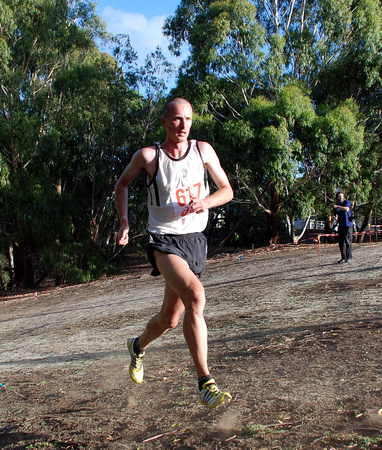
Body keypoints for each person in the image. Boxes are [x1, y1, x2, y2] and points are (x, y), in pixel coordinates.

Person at [115, 97, 233, 409]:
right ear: (165, 123)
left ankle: (137, 346)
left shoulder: (202, 151)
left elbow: (227, 190)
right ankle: (205, 382)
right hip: (163, 242)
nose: (182, 125)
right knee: (196, 297)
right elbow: (122, 184)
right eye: (176, 119)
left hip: (194, 241)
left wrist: (205, 202)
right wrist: (125, 223)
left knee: (169, 319)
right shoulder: (149, 156)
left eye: (188, 119)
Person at [333, 191, 353, 263]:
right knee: (341, 242)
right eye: (339, 196)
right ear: (337, 197)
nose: (340, 197)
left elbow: (346, 209)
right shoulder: (336, 205)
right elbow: (335, 215)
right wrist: (335, 218)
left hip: (348, 224)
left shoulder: (346, 202)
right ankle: (343, 257)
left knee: (347, 241)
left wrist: (338, 207)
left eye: (342, 196)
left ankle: (349, 256)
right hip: (340, 225)